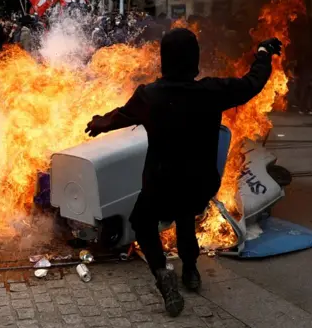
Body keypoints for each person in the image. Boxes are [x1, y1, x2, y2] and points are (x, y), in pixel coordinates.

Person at [84, 28, 280, 317]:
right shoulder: (211, 92)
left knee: (143, 222)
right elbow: (252, 83)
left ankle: (163, 272)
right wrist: (263, 54)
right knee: (185, 216)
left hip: (160, 183)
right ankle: (190, 271)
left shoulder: (149, 96)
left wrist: (100, 123)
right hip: (199, 182)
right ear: (194, 61)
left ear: (164, 61)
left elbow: (119, 117)